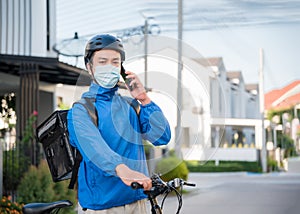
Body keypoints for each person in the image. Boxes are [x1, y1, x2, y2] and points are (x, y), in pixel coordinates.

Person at [67, 34, 171, 213]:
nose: (109, 67)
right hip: (102, 207)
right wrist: (123, 170)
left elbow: (162, 137)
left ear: (121, 68)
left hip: (137, 201)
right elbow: (96, 150)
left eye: (115, 62)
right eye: (102, 61)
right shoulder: (81, 110)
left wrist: (144, 100)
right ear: (89, 67)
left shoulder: (131, 105)